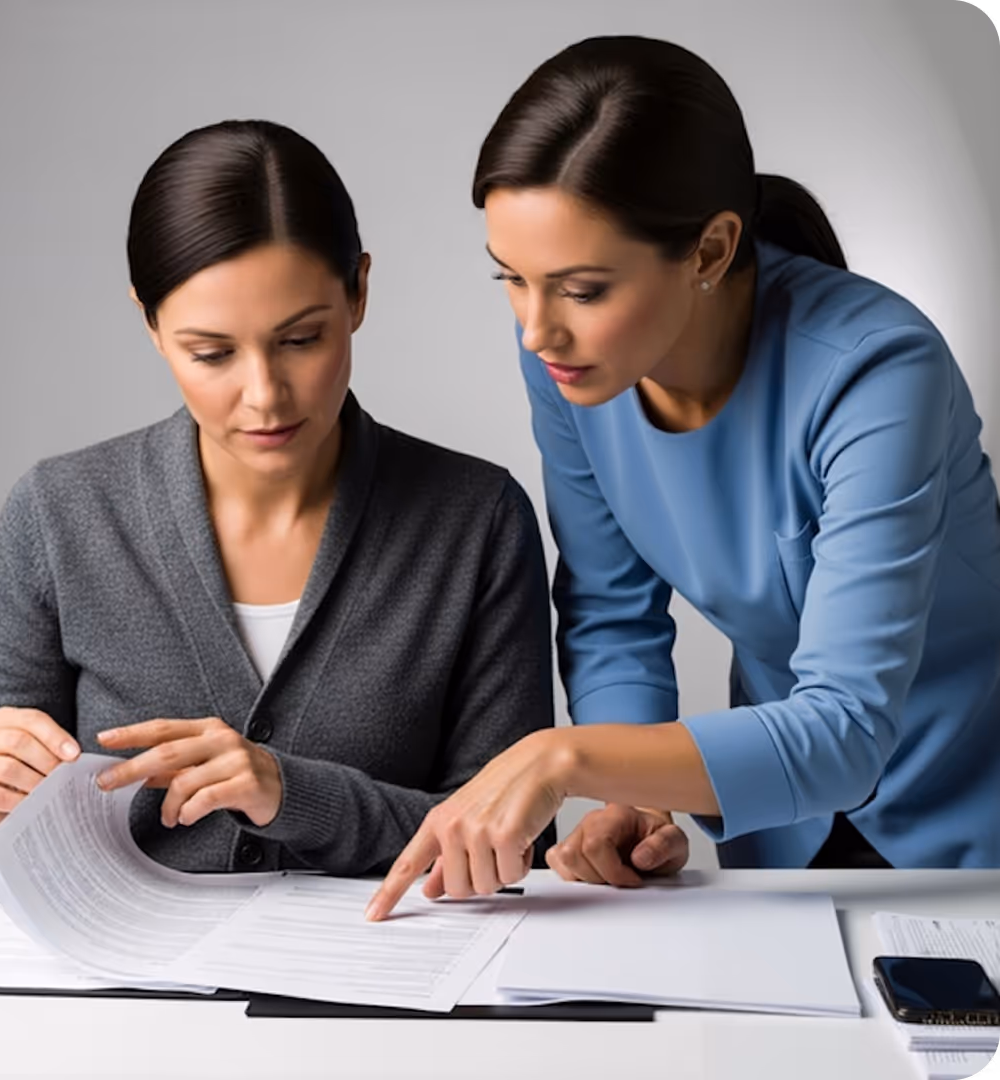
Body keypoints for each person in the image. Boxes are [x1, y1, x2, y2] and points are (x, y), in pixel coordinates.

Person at [366, 35, 1000, 920]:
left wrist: (568, 756)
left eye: (581, 289)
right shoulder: (568, 363)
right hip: (783, 830)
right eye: (511, 278)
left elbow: (847, 727)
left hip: (975, 825)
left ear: (709, 251)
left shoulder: (879, 370)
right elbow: (612, 609)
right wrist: (637, 796)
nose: (537, 327)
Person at [0, 119, 556, 878]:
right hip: (123, 988)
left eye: (301, 340)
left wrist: (290, 793)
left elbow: (515, 839)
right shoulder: (57, 514)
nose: (264, 395)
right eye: (212, 353)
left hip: (378, 980)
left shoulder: (476, 519)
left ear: (358, 291)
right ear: (151, 325)